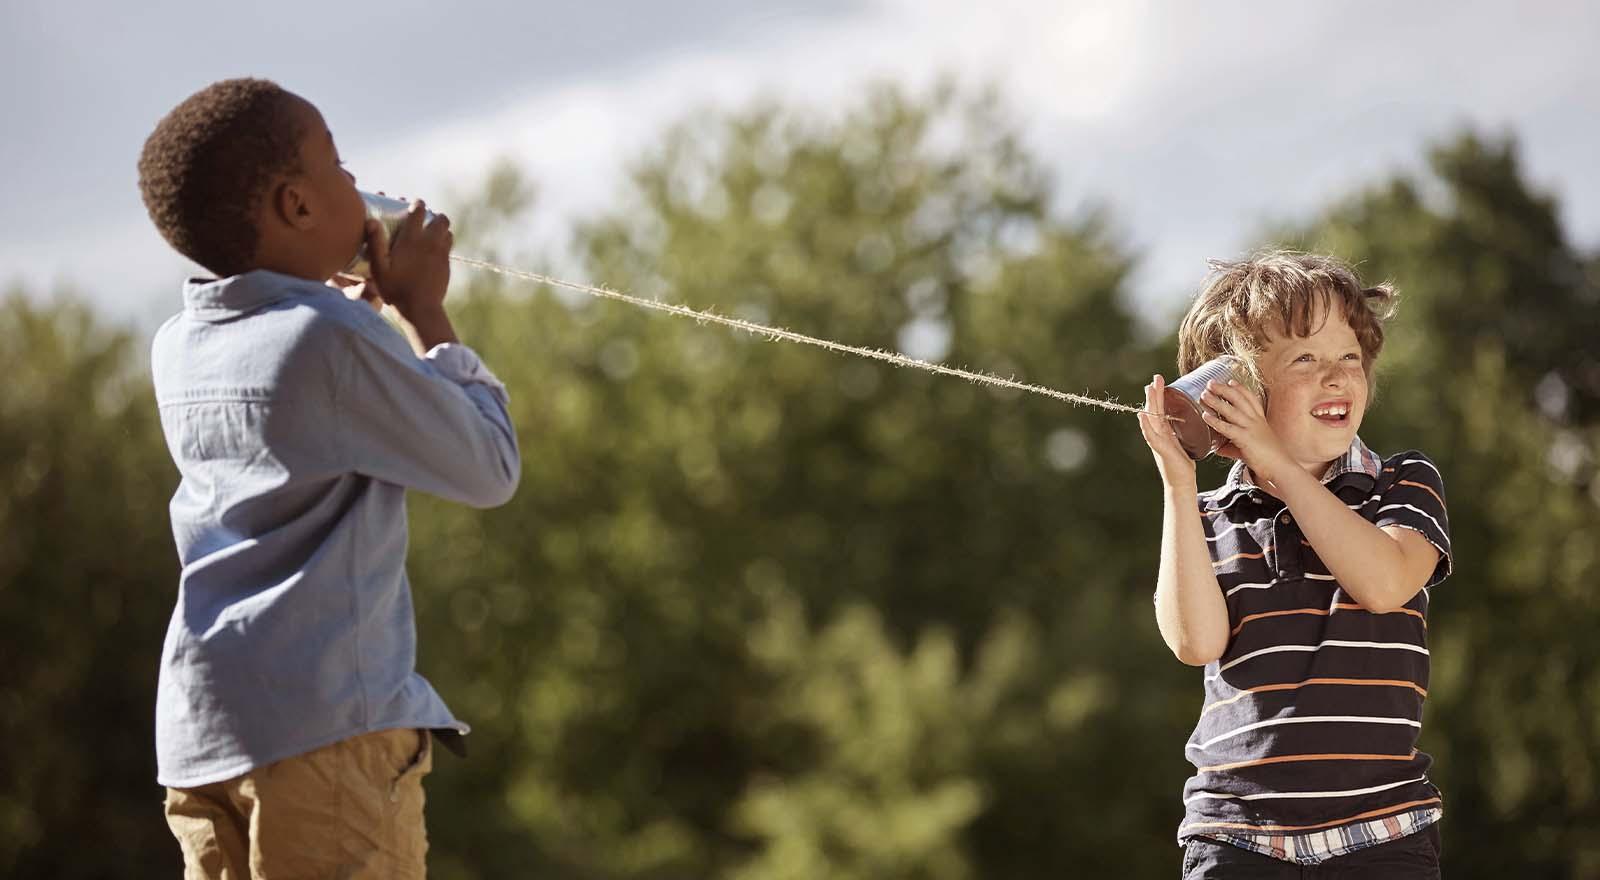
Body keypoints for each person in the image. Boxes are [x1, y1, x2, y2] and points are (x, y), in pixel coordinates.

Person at [138, 77, 520, 878]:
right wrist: (422, 313)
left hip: (205, 735)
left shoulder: (178, 343)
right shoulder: (328, 339)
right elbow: (489, 467)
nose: (360, 184)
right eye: (340, 168)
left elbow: (305, 393)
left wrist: (357, 315)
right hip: (323, 736)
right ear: (298, 207)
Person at [1137, 251, 1452, 878]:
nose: (1336, 376)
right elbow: (1195, 641)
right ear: (1235, 391)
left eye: (1350, 359)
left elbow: (1384, 582)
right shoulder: (1206, 516)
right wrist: (1177, 483)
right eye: (1306, 359)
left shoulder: (1404, 483)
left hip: (1381, 836)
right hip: (1236, 840)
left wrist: (1278, 466)